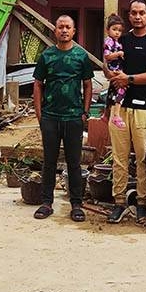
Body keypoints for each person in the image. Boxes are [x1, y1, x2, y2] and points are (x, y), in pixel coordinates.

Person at [105, 0, 146, 224]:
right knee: (118, 158)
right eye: (134, 13)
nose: (138, 16)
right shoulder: (122, 40)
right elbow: (109, 66)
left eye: (142, 13)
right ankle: (118, 202)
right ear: (129, 16)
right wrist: (111, 72)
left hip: (143, 108)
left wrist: (127, 79)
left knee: (142, 158)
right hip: (119, 108)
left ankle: (142, 204)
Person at [32, 15, 94, 221]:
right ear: (55, 31)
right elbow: (38, 84)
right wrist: (40, 114)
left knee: (74, 162)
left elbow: (87, 84)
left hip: (73, 117)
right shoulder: (47, 56)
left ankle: (76, 204)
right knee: (49, 161)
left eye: (68, 27)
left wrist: (84, 112)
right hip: (50, 117)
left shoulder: (81, 56)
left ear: (74, 31)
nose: (64, 30)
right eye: (61, 27)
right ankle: (46, 202)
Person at [103, 14, 126, 129]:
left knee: (112, 91)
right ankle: (116, 115)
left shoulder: (117, 41)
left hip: (117, 68)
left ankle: (106, 114)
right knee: (122, 89)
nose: (117, 32)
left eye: (119, 30)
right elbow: (107, 56)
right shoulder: (109, 41)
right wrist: (119, 54)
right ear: (108, 30)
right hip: (114, 69)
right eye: (114, 29)